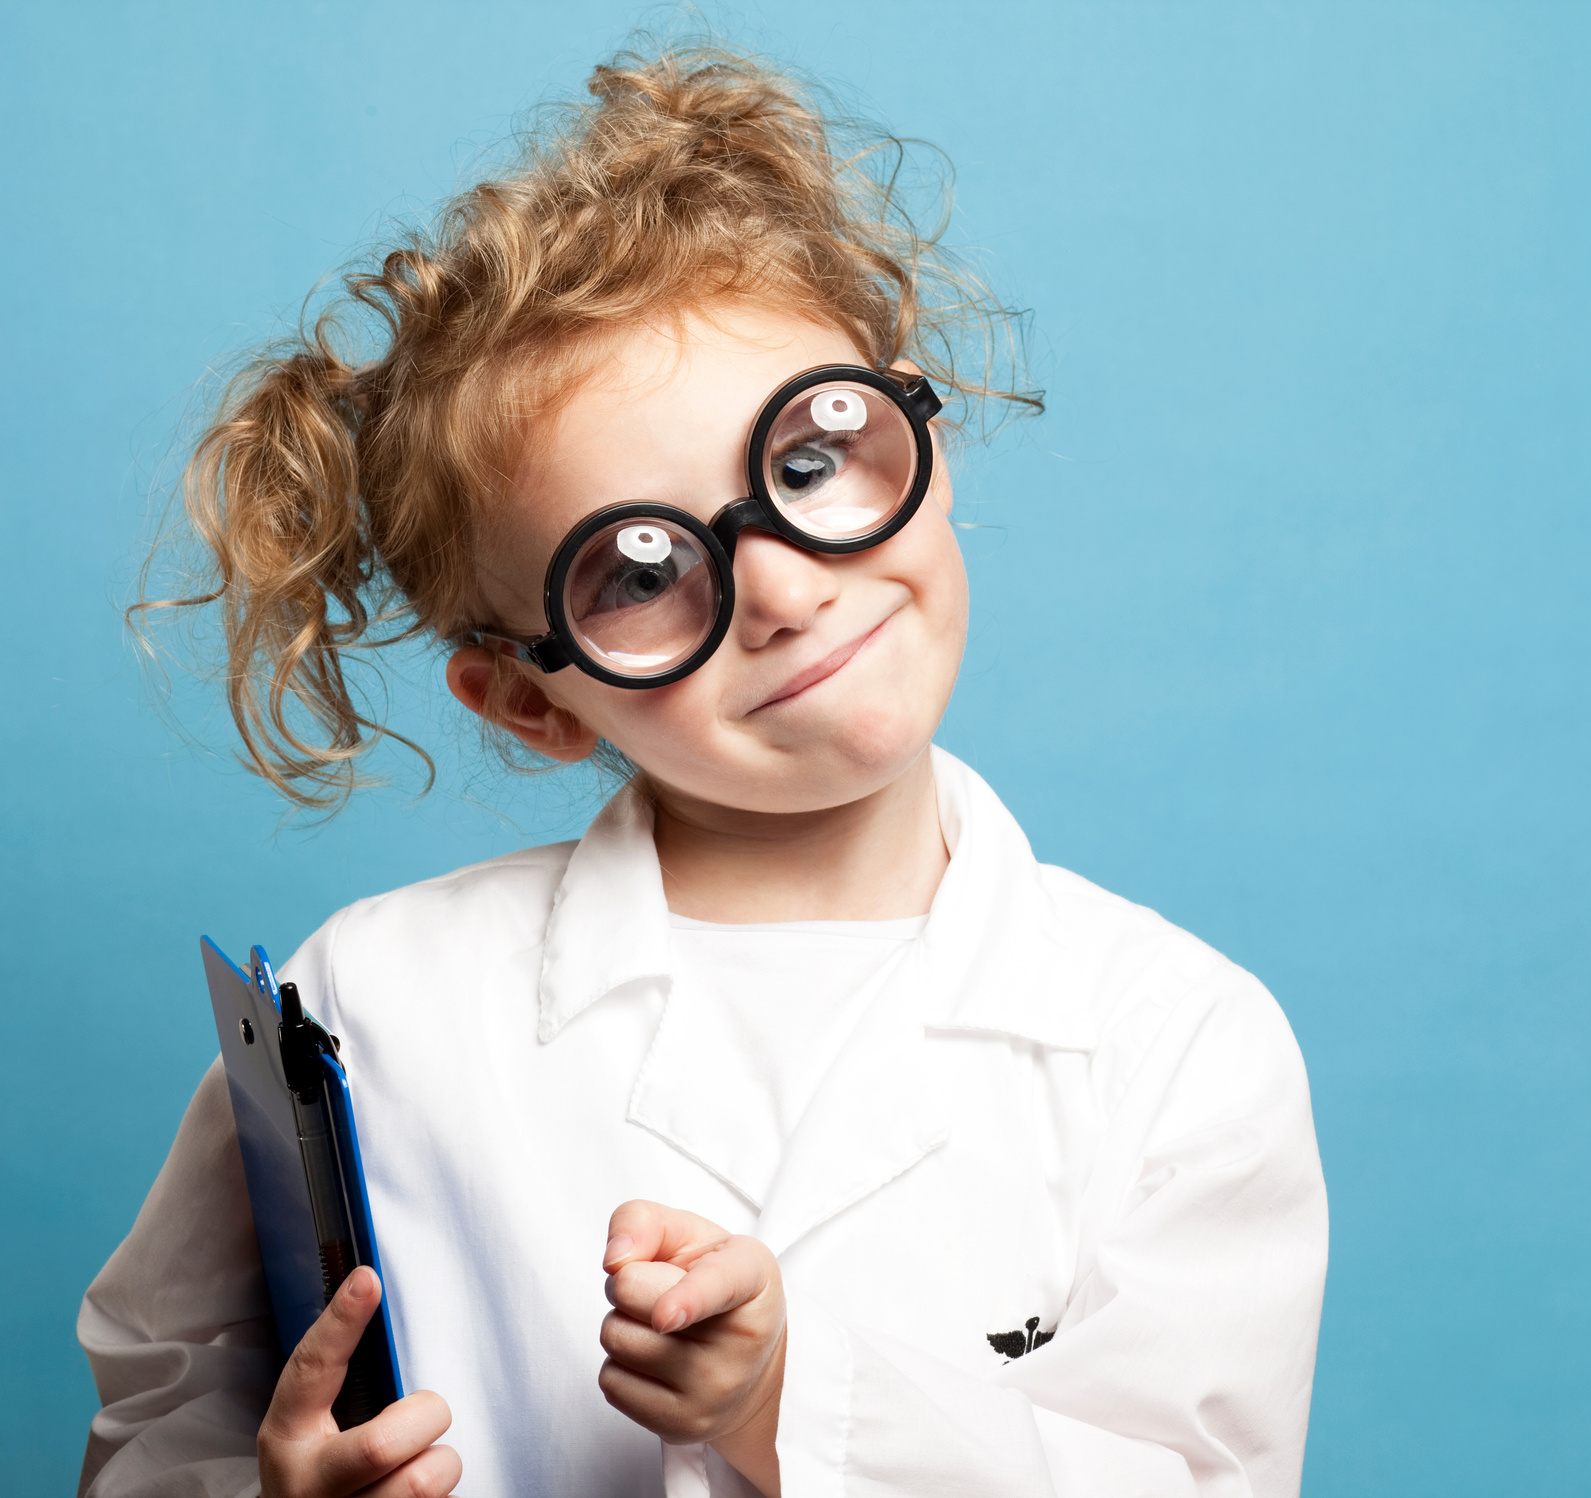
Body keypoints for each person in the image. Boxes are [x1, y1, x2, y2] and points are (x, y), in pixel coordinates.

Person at [76, 41, 1326, 1498]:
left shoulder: (1177, 1043)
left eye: (810, 461)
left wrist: (788, 1406)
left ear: (909, 410)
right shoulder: (370, 1007)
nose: (787, 592)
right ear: (529, 702)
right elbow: (162, 1419)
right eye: (639, 568)